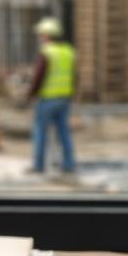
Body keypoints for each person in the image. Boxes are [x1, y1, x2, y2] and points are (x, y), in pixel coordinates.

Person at [28, 16, 76, 175]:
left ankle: (38, 165)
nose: (40, 38)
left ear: (47, 35)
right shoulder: (69, 51)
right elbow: (74, 75)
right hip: (64, 99)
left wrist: (30, 93)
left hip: (47, 99)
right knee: (64, 132)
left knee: (40, 131)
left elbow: (39, 76)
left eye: (41, 35)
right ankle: (69, 164)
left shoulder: (46, 52)